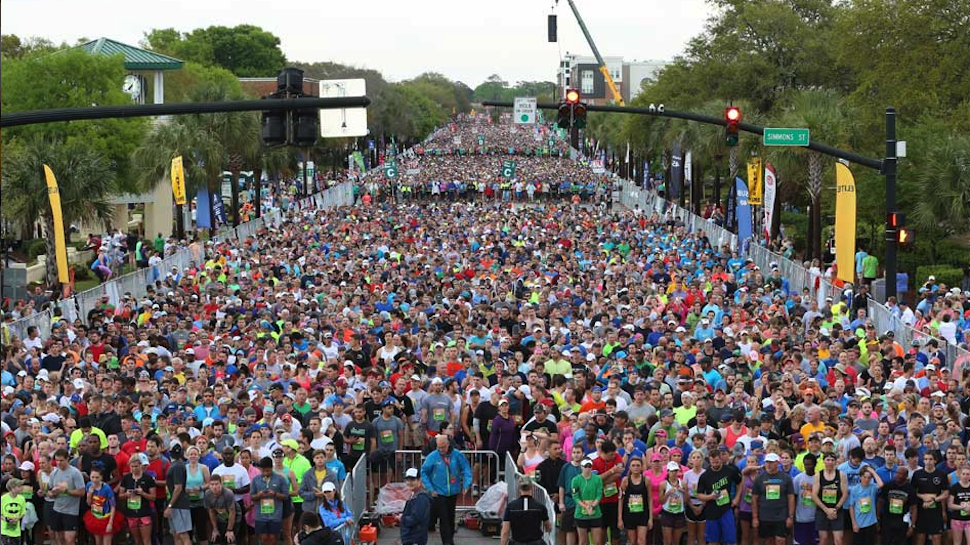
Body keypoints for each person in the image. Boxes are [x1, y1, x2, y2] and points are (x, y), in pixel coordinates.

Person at [420, 435, 472, 545]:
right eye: (439, 447)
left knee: (450, 516)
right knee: (444, 518)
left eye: (443, 447)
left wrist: (466, 484)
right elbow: (424, 472)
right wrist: (430, 488)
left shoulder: (457, 455)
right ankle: (447, 542)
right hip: (439, 492)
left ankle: (450, 538)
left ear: (448, 445)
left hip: (453, 491)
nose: (441, 450)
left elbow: (466, 469)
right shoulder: (433, 456)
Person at [697, 448, 741, 545]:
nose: (715, 464)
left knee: (730, 540)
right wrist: (710, 497)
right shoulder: (705, 476)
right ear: (709, 460)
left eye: (717, 462)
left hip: (726, 509)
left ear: (721, 459)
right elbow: (699, 495)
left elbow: (740, 482)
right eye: (712, 462)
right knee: (713, 540)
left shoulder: (730, 470)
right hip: (711, 510)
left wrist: (737, 498)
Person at [752, 452, 795, 545]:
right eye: (767, 462)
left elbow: (791, 498)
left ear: (777, 463)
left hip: (781, 516)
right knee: (768, 541)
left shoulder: (786, 478)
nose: (769, 464)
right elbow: (754, 499)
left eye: (771, 462)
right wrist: (755, 517)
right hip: (764, 516)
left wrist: (790, 517)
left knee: (781, 541)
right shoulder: (759, 479)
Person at [47, 448, 85, 545]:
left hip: (71, 511)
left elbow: (82, 492)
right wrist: (52, 493)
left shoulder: (75, 473)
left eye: (61, 460)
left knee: (69, 539)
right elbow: (50, 492)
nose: (59, 463)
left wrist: (66, 491)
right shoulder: (54, 473)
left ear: (67, 459)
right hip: (57, 509)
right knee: (59, 538)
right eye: (57, 460)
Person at [501, 477, 552, 545]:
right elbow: (548, 527)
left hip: (517, 542)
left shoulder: (511, 507)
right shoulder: (540, 507)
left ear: (518, 488)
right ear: (532, 487)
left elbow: (505, 532)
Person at [118, 453, 155, 545]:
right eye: (132, 466)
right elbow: (120, 495)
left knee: (146, 540)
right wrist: (127, 494)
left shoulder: (148, 478)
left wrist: (142, 493)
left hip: (144, 512)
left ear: (141, 466)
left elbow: (153, 497)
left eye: (136, 466)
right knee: (137, 540)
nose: (134, 469)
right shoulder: (126, 478)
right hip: (131, 512)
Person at [913, 451, 948, 545]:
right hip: (921, 509)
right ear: (923, 461)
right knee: (920, 536)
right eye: (926, 459)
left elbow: (946, 493)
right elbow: (913, 492)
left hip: (936, 510)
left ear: (935, 461)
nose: (928, 462)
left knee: (936, 537)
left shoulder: (941, 474)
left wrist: (934, 500)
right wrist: (923, 496)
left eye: (930, 459)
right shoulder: (917, 474)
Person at [813, 451, 847, 545]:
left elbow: (845, 494)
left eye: (832, 460)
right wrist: (826, 509)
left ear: (835, 462)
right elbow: (814, 495)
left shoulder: (841, 475)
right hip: (822, 511)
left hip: (837, 511)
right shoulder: (818, 475)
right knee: (823, 539)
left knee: (838, 540)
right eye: (828, 460)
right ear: (824, 461)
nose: (830, 462)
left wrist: (835, 509)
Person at [83, 467, 125, 545]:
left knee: (106, 542)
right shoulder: (89, 485)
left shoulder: (107, 489)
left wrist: (110, 523)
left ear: (101, 477)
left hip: (107, 516)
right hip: (95, 516)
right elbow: (88, 503)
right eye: (92, 477)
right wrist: (89, 494)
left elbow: (113, 505)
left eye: (97, 477)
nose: (94, 480)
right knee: (98, 542)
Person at [251, 456, 288, 545]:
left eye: (267, 470)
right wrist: (259, 495)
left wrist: (275, 494)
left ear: (272, 468)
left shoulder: (280, 479)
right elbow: (252, 497)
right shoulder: (256, 480)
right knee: (263, 538)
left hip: (275, 514)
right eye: (263, 470)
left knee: (273, 538)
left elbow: (286, 496)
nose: (265, 473)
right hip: (261, 515)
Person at [618, 456, 652, 545]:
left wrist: (650, 518)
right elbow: (620, 499)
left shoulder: (646, 480)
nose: (636, 467)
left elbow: (650, 499)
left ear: (641, 467)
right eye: (633, 465)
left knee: (642, 541)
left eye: (638, 465)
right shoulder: (625, 481)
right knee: (632, 541)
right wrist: (620, 518)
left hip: (643, 515)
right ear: (629, 467)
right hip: (629, 515)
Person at [846, 465, 882, 545]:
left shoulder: (872, 487)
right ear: (860, 477)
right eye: (865, 477)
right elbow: (851, 506)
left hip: (871, 523)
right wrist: (854, 523)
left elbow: (881, 484)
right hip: (859, 523)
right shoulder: (855, 489)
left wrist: (872, 471)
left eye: (869, 478)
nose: (867, 479)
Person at [165, 445, 193, 545]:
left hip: (179, 504)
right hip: (175, 503)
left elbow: (178, 488)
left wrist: (169, 506)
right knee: (176, 534)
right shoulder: (177, 465)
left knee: (183, 534)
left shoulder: (177, 466)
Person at [571, 458, 603, 545]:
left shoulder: (598, 479)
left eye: (589, 466)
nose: (588, 468)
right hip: (581, 514)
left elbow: (599, 494)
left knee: (597, 542)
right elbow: (575, 496)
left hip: (595, 512)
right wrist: (585, 506)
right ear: (581, 467)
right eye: (585, 466)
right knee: (583, 542)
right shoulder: (575, 480)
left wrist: (592, 506)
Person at [204, 473, 240, 545]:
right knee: (217, 538)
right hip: (219, 515)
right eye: (212, 484)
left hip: (234, 516)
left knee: (230, 539)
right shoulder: (207, 494)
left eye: (217, 484)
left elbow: (232, 512)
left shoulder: (228, 493)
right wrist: (215, 528)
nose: (214, 487)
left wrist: (229, 530)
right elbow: (211, 512)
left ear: (221, 484)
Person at [400, 468, 432, 545]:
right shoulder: (415, 496)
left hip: (414, 538)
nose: (409, 482)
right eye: (407, 480)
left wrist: (403, 518)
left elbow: (416, 518)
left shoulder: (421, 498)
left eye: (412, 480)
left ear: (419, 481)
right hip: (412, 537)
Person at [659, 461, 687, 545]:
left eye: (675, 471)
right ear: (668, 472)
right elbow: (661, 501)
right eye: (672, 471)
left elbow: (686, 500)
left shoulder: (683, 483)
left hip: (679, 513)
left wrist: (684, 491)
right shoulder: (663, 484)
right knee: (667, 541)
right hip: (667, 513)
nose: (674, 473)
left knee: (676, 542)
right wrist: (668, 493)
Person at [1, 478, 26, 545]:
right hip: (4, 530)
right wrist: (6, 519)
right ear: (13, 488)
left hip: (16, 531)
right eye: (19, 486)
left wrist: (18, 518)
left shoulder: (22, 498)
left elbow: (23, 512)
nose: (22, 488)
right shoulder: (3, 498)